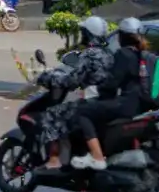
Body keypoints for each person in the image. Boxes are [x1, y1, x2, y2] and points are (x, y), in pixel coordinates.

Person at [32, 15, 116, 171]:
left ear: (89, 34)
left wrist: (49, 78)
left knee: (51, 114)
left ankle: (54, 159)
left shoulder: (89, 54)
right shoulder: (109, 54)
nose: (82, 35)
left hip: (92, 101)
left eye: (84, 32)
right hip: (106, 100)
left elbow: (72, 81)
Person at [68, 17, 150, 169]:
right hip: (138, 104)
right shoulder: (142, 54)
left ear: (122, 36)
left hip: (124, 104)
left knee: (82, 112)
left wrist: (97, 90)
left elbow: (112, 83)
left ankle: (97, 157)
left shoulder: (122, 54)